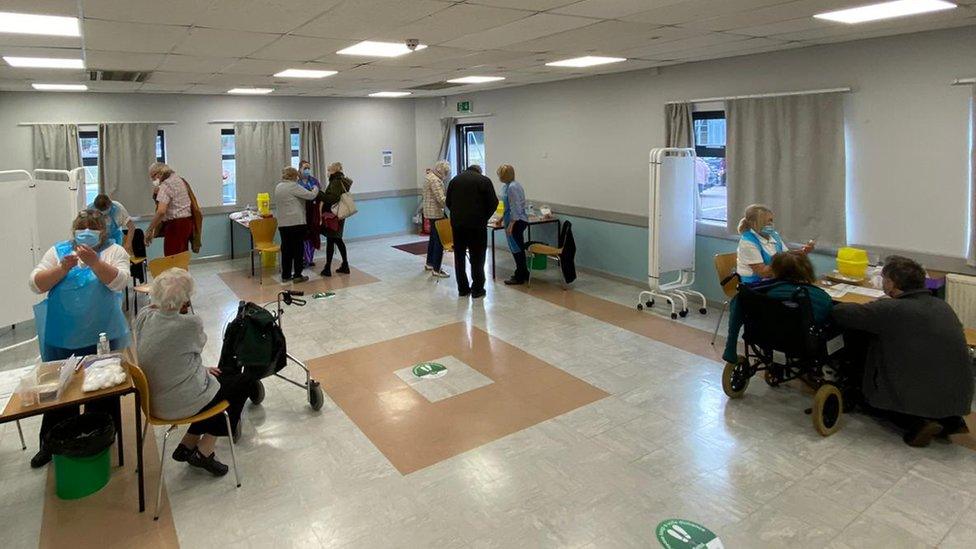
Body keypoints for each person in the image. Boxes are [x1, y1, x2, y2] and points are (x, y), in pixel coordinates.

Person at [832, 255, 973, 447]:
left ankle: (917, 423)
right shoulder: (942, 306)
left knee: (865, 396)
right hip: (958, 396)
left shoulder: (890, 309)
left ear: (891, 283)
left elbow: (841, 314)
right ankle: (949, 420)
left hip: (916, 391)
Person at [28, 209, 131, 467]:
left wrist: (96, 263)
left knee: (103, 390)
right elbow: (36, 283)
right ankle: (52, 444)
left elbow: (119, 282)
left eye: (92, 228)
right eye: (81, 228)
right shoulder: (59, 251)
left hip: (102, 335)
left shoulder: (113, 251)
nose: (86, 233)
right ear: (74, 231)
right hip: (63, 336)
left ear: (102, 231)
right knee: (60, 392)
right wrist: (63, 267)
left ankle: (102, 438)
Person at [134, 268, 250, 476]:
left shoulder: (144, 316)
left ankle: (188, 443)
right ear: (186, 301)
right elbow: (198, 345)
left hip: (153, 400)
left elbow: (171, 354)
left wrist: (202, 369)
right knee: (242, 382)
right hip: (177, 403)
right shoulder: (189, 324)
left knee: (221, 376)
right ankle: (205, 451)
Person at [722, 251, 833, 364]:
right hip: (802, 341)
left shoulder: (759, 292)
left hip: (763, 337)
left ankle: (730, 346)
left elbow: (739, 303)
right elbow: (822, 318)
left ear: (775, 270)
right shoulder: (820, 297)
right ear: (807, 270)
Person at [445, 164, 498, 298]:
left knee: (459, 257)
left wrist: (458, 215)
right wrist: (484, 217)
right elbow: (493, 203)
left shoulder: (454, 180)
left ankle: (462, 288)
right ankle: (477, 289)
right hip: (477, 225)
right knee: (478, 257)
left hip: (458, 225)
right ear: (479, 171)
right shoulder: (484, 181)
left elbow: (448, 202)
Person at [735, 204, 814, 285]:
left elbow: (786, 255)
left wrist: (802, 252)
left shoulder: (774, 235)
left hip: (774, 280)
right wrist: (786, 262)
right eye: (767, 221)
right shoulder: (748, 243)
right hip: (755, 285)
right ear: (754, 223)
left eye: (771, 220)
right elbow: (763, 273)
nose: (771, 224)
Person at [274, 166, 319, 283]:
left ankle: (286, 275)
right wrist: (315, 188)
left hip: (283, 224)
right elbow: (311, 196)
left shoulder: (278, 187)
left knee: (286, 250)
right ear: (294, 176)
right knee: (298, 249)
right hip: (296, 223)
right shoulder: (293, 186)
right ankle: (298, 275)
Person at [145, 162, 199, 256]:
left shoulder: (165, 185)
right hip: (187, 223)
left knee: (172, 259)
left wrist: (149, 230)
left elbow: (161, 211)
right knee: (182, 258)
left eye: (153, 177)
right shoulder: (178, 179)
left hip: (176, 226)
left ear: (159, 173)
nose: (153, 180)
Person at [319, 162, 353, 277]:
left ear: (333, 171)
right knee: (337, 239)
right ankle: (344, 265)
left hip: (334, 215)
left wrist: (320, 194)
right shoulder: (342, 180)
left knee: (332, 239)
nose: (327, 173)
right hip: (339, 214)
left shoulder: (336, 182)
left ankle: (328, 268)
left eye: (329, 171)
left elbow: (332, 198)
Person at [498, 164, 529, 285]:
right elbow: (508, 206)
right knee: (517, 247)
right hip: (513, 220)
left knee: (517, 249)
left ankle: (520, 275)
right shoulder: (509, 186)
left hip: (516, 221)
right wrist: (501, 219)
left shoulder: (512, 187)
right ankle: (524, 272)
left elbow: (515, 207)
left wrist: (511, 225)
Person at [423, 161, 450, 278]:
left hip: (430, 212)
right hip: (436, 213)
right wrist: (452, 200)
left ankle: (430, 263)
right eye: (446, 172)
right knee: (439, 240)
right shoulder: (435, 180)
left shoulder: (429, 176)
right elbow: (441, 199)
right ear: (441, 171)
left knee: (433, 239)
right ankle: (436, 268)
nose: (446, 175)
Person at [297, 160, 322, 267]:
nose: (307, 170)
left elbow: (319, 195)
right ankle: (303, 258)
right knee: (303, 236)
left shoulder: (314, 181)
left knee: (313, 235)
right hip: (302, 212)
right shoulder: (297, 183)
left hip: (313, 211)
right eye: (305, 168)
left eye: (308, 168)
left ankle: (310, 258)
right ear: (300, 169)